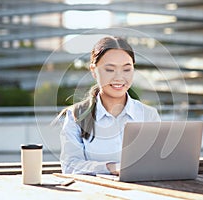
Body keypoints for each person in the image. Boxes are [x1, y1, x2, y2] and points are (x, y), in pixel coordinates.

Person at [58, 36, 160, 175]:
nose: (119, 77)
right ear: (94, 70)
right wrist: (110, 167)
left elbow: (158, 162)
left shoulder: (149, 115)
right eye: (110, 69)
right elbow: (69, 166)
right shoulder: (76, 116)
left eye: (126, 69)